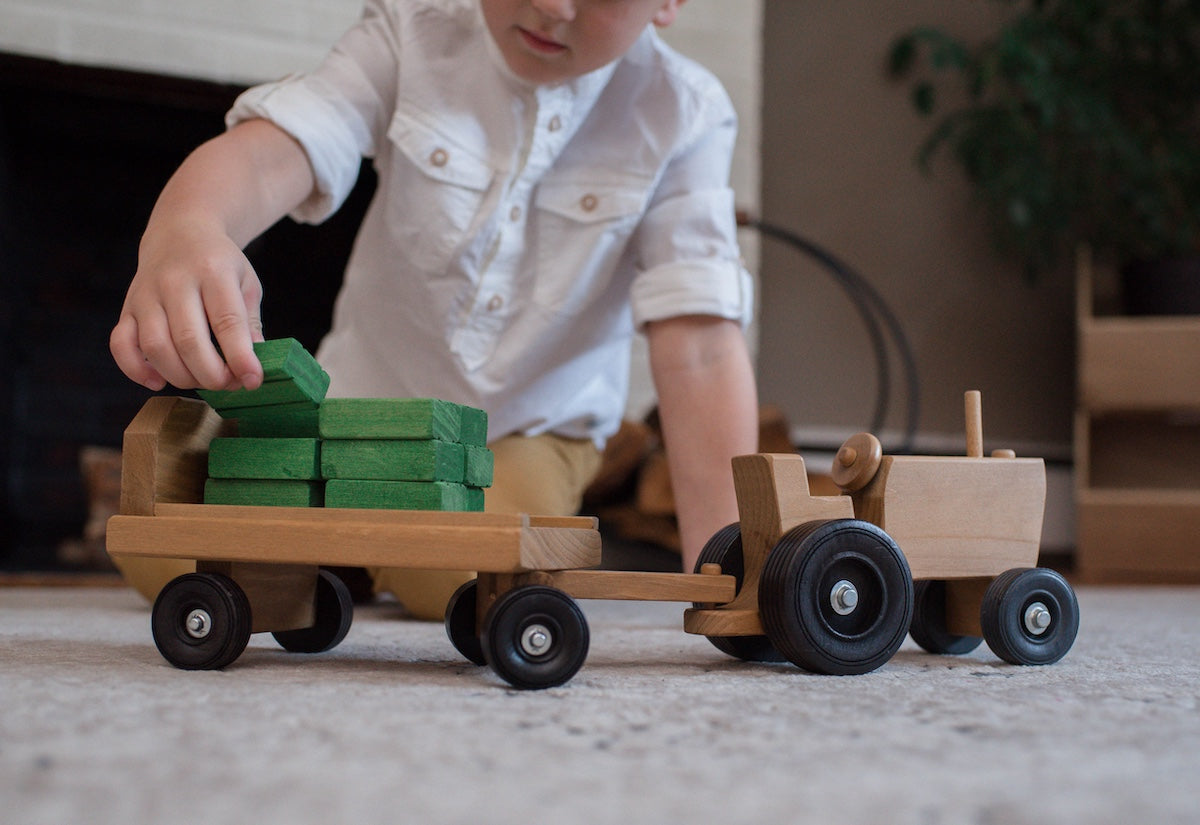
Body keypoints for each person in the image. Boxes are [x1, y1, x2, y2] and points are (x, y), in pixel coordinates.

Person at [109, 0, 758, 619]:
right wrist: (190, 223)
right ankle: (343, 555)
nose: (552, 7)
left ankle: (348, 555)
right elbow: (274, 150)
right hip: (359, 407)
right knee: (174, 552)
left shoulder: (686, 114)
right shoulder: (410, 29)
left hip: (523, 431)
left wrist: (730, 566)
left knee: (468, 568)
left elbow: (699, 346)